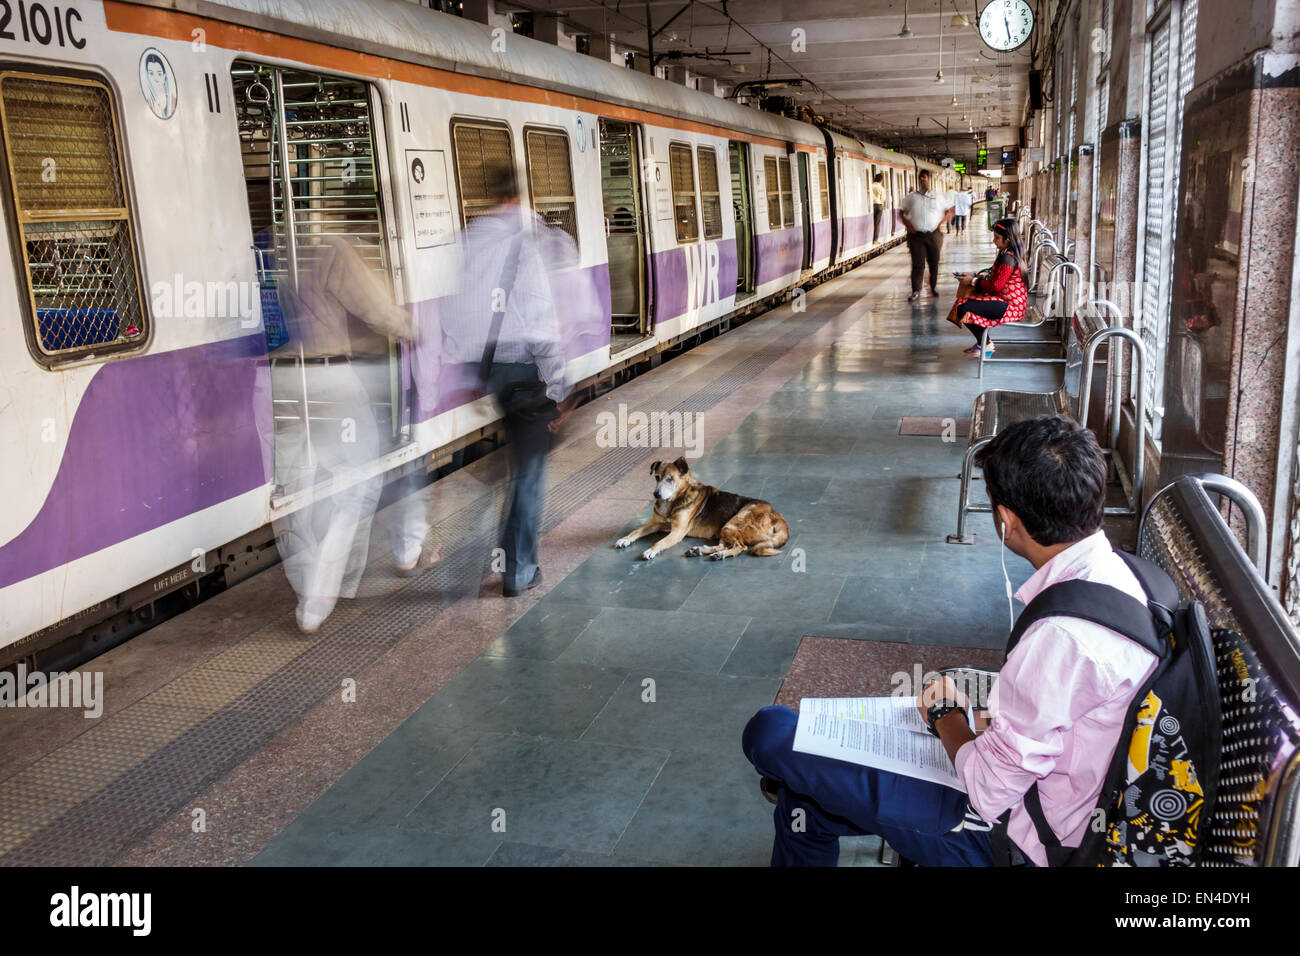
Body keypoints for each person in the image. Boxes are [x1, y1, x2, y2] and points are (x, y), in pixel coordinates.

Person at [741, 415, 1159, 866]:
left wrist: (946, 716)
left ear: (1005, 521)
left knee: (770, 732)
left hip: (1017, 839)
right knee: (804, 802)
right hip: (1074, 801)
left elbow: (988, 789)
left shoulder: (1061, 637)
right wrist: (976, 721)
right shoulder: (1124, 576)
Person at [270, 234, 425, 632]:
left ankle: (305, 584)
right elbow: (374, 306)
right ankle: (319, 594)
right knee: (358, 481)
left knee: (291, 489)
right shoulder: (325, 248)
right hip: (329, 379)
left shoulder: (263, 251)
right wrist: (408, 328)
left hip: (275, 382)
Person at [441, 167, 579, 597]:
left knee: (517, 463)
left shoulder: (469, 239)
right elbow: (539, 321)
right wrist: (559, 389)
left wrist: (463, 362)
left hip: (487, 371)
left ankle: (497, 552)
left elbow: (454, 308)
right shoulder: (525, 243)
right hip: (524, 373)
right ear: (519, 199)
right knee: (530, 473)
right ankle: (518, 571)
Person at [948, 217, 1029, 357]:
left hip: (1011, 306)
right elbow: (993, 274)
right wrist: (973, 275)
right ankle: (983, 342)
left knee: (963, 307)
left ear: (1008, 239)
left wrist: (972, 281)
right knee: (965, 304)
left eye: (997, 238)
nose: (994, 241)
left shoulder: (1008, 258)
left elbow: (995, 286)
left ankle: (985, 343)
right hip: (1008, 301)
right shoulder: (1007, 254)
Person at [899, 170, 954, 302]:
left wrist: (940, 223)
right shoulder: (912, 197)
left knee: (934, 263)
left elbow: (948, 211)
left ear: (930, 179)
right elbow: (901, 212)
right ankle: (915, 291)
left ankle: (933, 288)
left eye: (925, 177)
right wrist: (908, 225)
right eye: (921, 178)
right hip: (916, 236)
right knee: (918, 264)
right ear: (919, 180)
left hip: (934, 235)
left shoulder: (938, 196)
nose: (923, 180)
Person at [870, 172, 886, 241]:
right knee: (877, 223)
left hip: (871, 205)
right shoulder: (881, 188)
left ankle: (870, 238)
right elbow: (883, 199)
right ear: (881, 180)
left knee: (871, 222)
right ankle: (875, 240)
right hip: (879, 205)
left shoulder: (871, 186)